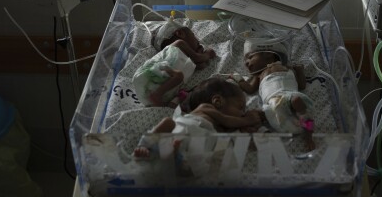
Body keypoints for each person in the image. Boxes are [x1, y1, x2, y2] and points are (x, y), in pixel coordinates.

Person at [133, 77, 262, 159]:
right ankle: (145, 146)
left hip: (192, 151)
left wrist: (246, 136)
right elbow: (228, 120)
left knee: (211, 158)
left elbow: (228, 139)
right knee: (167, 123)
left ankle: (173, 159)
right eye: (240, 107)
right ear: (218, 101)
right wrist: (247, 120)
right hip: (179, 132)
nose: (242, 113)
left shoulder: (219, 128)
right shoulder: (206, 108)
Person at [234, 38, 316, 151]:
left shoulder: (287, 67)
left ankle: (308, 134)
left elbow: (302, 85)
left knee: (297, 101)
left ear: (268, 54)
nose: (246, 63)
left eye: (250, 57)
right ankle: (262, 134)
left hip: (288, 96)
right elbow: (249, 89)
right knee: (251, 115)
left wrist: (300, 71)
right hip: (271, 105)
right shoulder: (258, 76)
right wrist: (237, 79)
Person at [132, 18, 216, 108]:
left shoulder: (184, 59)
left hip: (149, 90)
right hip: (151, 73)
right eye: (194, 35)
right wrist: (208, 54)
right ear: (180, 34)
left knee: (179, 81)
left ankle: (159, 99)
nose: (198, 41)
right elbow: (198, 58)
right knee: (179, 76)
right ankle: (157, 95)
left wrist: (199, 54)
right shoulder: (179, 44)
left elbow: (200, 65)